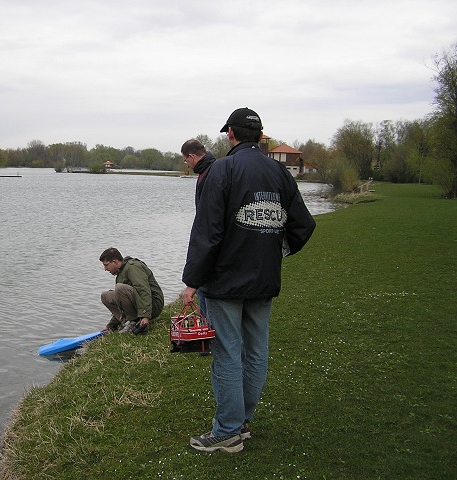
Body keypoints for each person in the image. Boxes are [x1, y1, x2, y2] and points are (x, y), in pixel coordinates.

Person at [181, 107, 316, 453]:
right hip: (263, 280)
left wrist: (192, 281)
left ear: (231, 134)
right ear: (260, 135)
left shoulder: (221, 170)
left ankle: (227, 431)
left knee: (227, 353)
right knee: (256, 352)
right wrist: (272, 252)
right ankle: (241, 421)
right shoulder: (280, 173)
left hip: (225, 283)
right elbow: (303, 226)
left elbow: (208, 232)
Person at [180, 139, 217, 318]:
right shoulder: (211, 170)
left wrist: (192, 281)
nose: (186, 164)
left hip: (210, 249)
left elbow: (208, 227)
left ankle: (209, 337)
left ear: (191, 156)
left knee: (209, 311)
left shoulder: (210, 174)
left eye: (185, 160)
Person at [100, 247, 164, 335]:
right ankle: (128, 322)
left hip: (154, 305)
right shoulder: (121, 272)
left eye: (106, 265)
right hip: (140, 303)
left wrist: (145, 316)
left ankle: (134, 322)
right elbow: (121, 302)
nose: (105, 269)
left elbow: (143, 290)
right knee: (105, 296)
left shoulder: (132, 267)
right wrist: (111, 326)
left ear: (114, 262)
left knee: (119, 288)